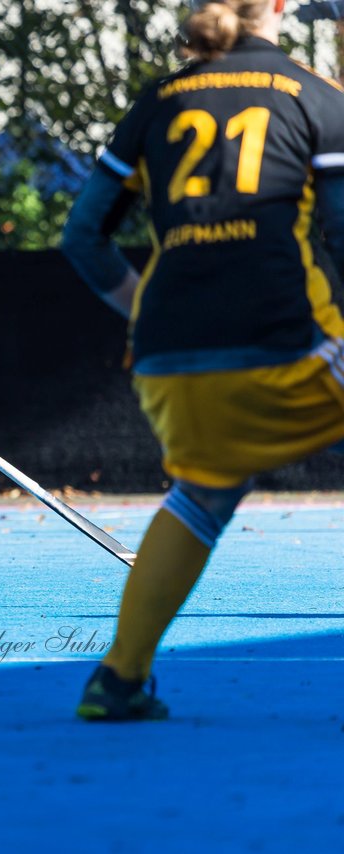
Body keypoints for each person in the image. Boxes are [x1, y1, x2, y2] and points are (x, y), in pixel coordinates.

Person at [61, 0, 344, 720]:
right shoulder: (318, 97)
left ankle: (119, 681)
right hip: (290, 343)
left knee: (204, 494)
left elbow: (84, 237)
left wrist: (143, 311)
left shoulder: (157, 99)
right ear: (279, 7)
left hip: (165, 356)